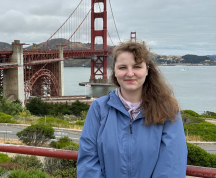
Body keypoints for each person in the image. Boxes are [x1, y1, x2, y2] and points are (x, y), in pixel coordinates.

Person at [77, 41, 187, 177]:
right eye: (122, 67)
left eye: (136, 66)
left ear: (147, 70)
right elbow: (88, 161)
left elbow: (172, 165)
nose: (130, 73)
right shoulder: (99, 108)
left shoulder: (167, 109)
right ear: (115, 72)